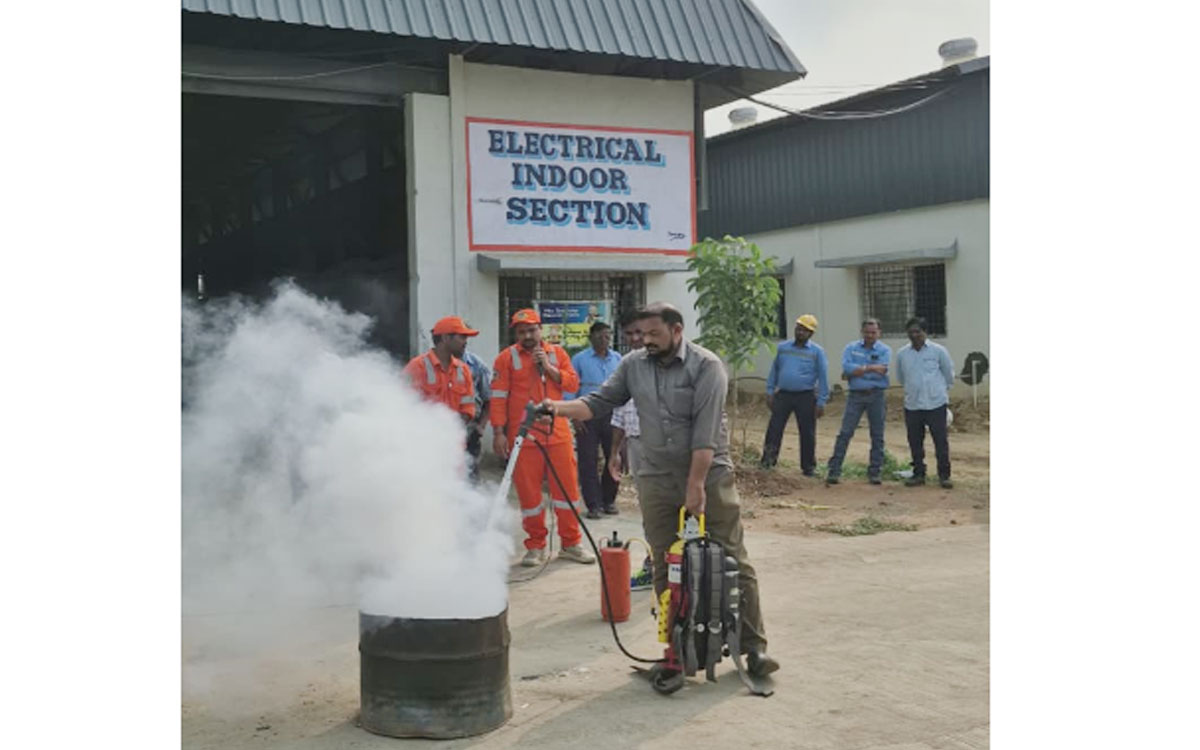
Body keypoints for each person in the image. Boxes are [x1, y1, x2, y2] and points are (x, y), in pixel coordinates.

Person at [542, 302, 780, 678]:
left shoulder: (707, 366)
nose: (646, 341)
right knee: (664, 562)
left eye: (654, 334)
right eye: (641, 335)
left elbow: (705, 435)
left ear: (677, 330)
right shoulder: (634, 364)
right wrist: (555, 408)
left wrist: (696, 486)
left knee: (732, 557)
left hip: (708, 475)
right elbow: (599, 402)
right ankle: (675, 654)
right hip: (654, 476)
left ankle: (754, 648)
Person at [491, 308, 595, 567]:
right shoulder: (506, 358)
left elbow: (572, 384)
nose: (527, 335)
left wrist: (547, 367)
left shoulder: (557, 354)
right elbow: (499, 397)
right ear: (515, 333)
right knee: (529, 496)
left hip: (557, 434)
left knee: (568, 492)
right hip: (524, 437)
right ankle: (535, 546)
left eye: (532, 330)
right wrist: (499, 433)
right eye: (521, 331)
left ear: (540, 330)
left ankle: (571, 544)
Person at [760, 314, 830, 476]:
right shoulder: (783, 348)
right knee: (774, 429)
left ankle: (808, 467)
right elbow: (774, 370)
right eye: (799, 328)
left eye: (805, 330)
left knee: (807, 432)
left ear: (811, 334)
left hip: (805, 396)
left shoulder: (817, 352)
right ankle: (768, 462)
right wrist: (770, 391)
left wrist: (821, 401)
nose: (800, 332)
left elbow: (823, 376)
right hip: (783, 395)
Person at [826, 318, 891, 485]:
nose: (870, 335)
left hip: (876, 395)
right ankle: (834, 470)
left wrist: (859, 369)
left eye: (873, 332)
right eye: (867, 332)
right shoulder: (851, 348)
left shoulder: (885, 350)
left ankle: (875, 472)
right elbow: (846, 369)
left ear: (879, 333)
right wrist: (870, 368)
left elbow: (883, 370)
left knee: (877, 434)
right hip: (855, 396)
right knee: (845, 432)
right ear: (862, 332)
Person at [569, 322, 623, 519]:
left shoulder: (618, 359)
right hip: (587, 414)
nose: (604, 339)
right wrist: (574, 416)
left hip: (613, 416)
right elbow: (570, 389)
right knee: (588, 460)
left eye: (607, 336)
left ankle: (609, 500)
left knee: (615, 457)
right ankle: (594, 505)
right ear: (591, 337)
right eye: (600, 336)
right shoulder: (579, 360)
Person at [894, 316, 956, 489]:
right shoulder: (902, 354)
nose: (914, 335)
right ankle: (918, 474)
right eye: (911, 332)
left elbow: (948, 374)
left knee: (941, 441)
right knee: (915, 441)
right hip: (913, 405)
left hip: (936, 404)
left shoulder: (938, 351)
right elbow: (901, 377)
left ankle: (944, 476)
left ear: (925, 332)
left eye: (918, 332)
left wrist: (940, 392)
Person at [403, 316, 477, 426]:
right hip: (424, 439)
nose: (465, 342)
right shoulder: (416, 367)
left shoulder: (463, 370)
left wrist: (452, 428)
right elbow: (405, 405)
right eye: (462, 337)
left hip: (454, 439)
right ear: (445, 338)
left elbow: (468, 407)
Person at [608, 314, 645, 484]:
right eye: (629, 334)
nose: (635, 338)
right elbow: (619, 413)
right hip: (636, 442)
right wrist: (615, 452)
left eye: (639, 331)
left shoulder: (667, 362)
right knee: (647, 498)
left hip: (664, 445)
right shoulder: (626, 363)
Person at [460, 346, 492, 484]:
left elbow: (489, 399)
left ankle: (472, 503)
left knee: (470, 476)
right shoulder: (431, 364)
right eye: (460, 337)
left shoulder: (476, 364)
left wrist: (481, 427)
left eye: (465, 338)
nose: (464, 342)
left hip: (471, 431)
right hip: (441, 433)